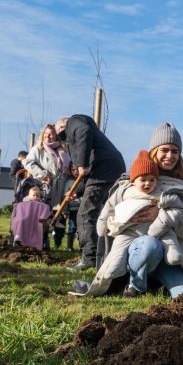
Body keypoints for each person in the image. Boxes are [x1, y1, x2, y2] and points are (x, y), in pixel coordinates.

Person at [70, 124, 183, 299]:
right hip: (136, 251)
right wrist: (128, 220)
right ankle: (133, 282)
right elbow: (109, 222)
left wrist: (163, 217)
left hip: (171, 259)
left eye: (175, 151)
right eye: (164, 150)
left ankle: (156, 282)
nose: (170, 156)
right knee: (149, 246)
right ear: (154, 151)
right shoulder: (129, 183)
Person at [55, 115, 126, 271]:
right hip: (109, 169)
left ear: (65, 124)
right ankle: (108, 255)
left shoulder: (75, 121)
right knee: (106, 215)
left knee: (85, 214)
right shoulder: (74, 140)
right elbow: (86, 177)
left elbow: (83, 130)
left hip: (104, 169)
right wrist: (78, 192)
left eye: (60, 128)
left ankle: (90, 258)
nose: (60, 132)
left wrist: (81, 162)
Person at [23, 124, 71, 210]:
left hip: (59, 187)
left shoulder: (62, 149)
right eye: (46, 133)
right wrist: (43, 174)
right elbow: (27, 163)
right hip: (42, 187)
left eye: (51, 133)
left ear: (56, 135)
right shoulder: (38, 148)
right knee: (40, 211)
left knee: (50, 212)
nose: (47, 136)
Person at [11, 185, 52, 250]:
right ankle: (19, 238)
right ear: (29, 196)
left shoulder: (41, 205)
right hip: (24, 220)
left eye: (37, 196)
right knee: (20, 221)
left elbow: (45, 212)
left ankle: (34, 245)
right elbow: (19, 211)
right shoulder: (23, 203)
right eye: (34, 195)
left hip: (36, 221)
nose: (36, 197)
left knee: (39, 227)